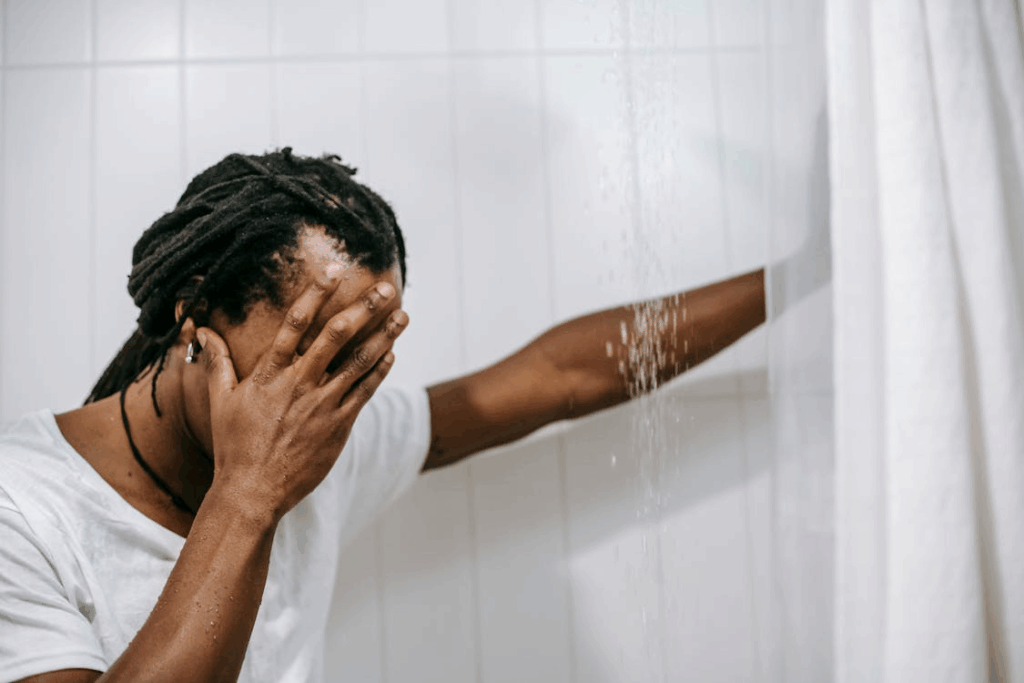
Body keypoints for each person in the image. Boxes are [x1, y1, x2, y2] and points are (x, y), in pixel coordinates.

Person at [0, 149, 818, 683]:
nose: (334, 404)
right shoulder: (20, 505)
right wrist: (249, 493)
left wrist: (802, 272)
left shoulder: (324, 440)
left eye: (364, 362)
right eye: (316, 355)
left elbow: (557, 376)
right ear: (194, 316)